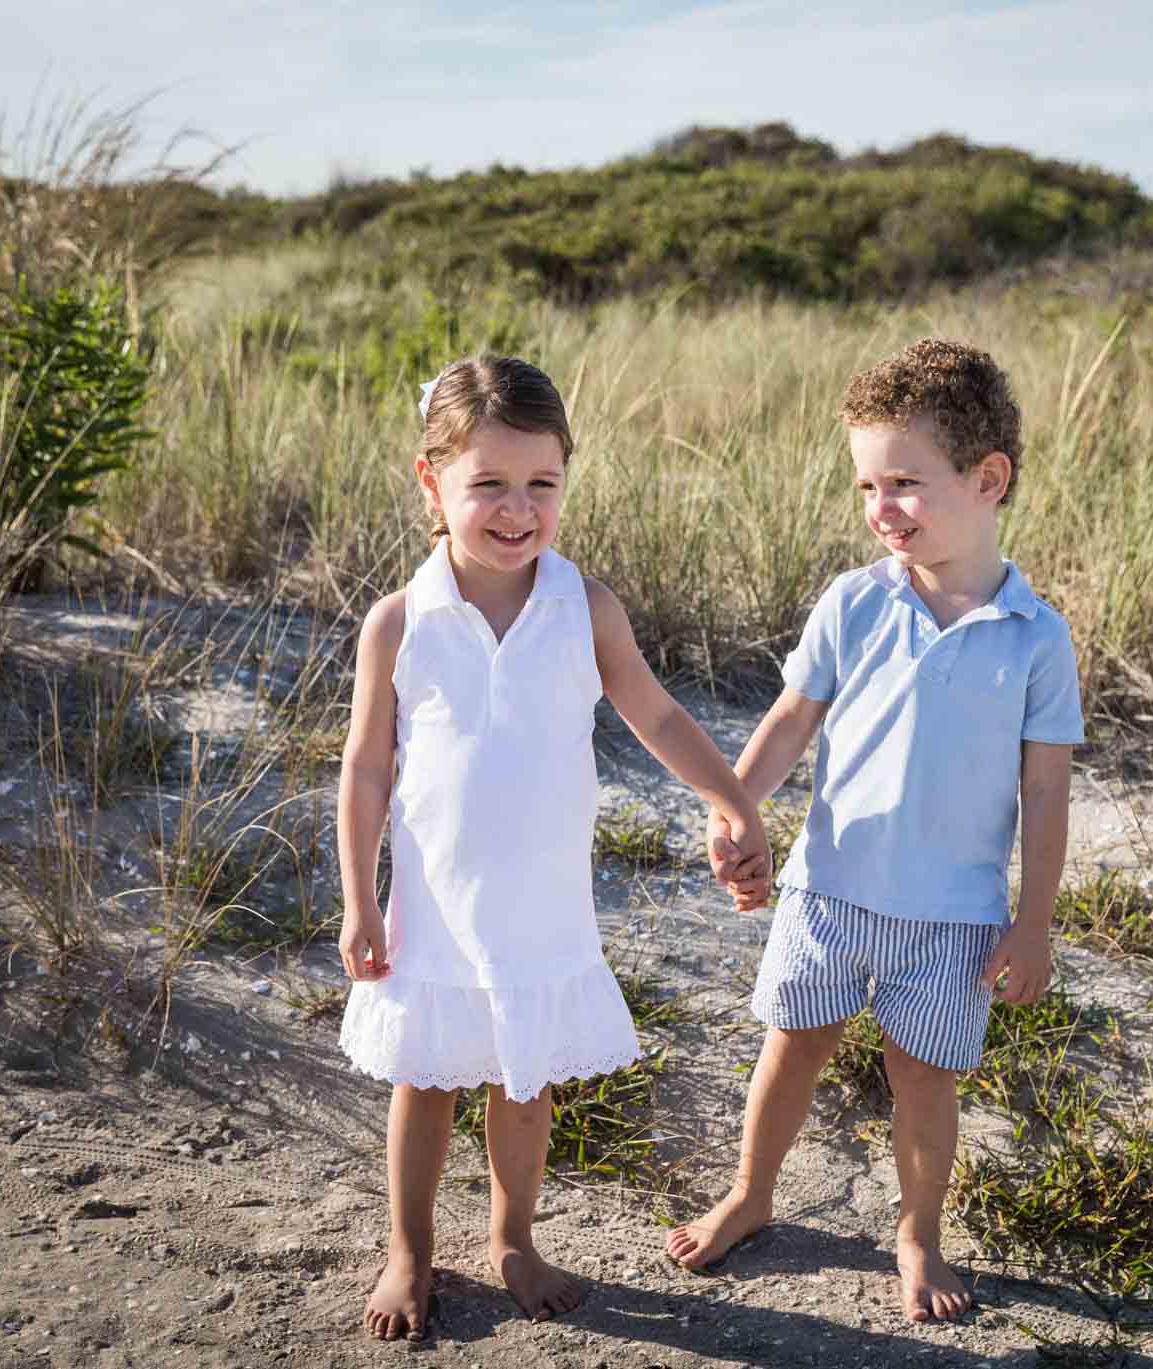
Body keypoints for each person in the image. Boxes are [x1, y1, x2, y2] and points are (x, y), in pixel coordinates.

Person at [336, 355, 770, 1343]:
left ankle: (513, 1238)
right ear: (429, 483)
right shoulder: (398, 621)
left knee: (521, 1083)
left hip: (538, 901)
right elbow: (365, 768)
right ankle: (408, 1248)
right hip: (434, 904)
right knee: (425, 1080)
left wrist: (730, 795)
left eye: (542, 484)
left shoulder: (585, 606)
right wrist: (360, 899)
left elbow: (655, 714)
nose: (516, 509)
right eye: (487, 483)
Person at [671, 337, 1082, 1324]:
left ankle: (917, 1231)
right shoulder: (854, 602)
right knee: (791, 1042)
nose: (880, 507)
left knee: (922, 1080)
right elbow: (787, 723)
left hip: (951, 912)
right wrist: (736, 807)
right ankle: (751, 1193)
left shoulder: (1035, 635)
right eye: (866, 484)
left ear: (988, 480)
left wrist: (1031, 924)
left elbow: (1046, 794)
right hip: (828, 886)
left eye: (904, 481)